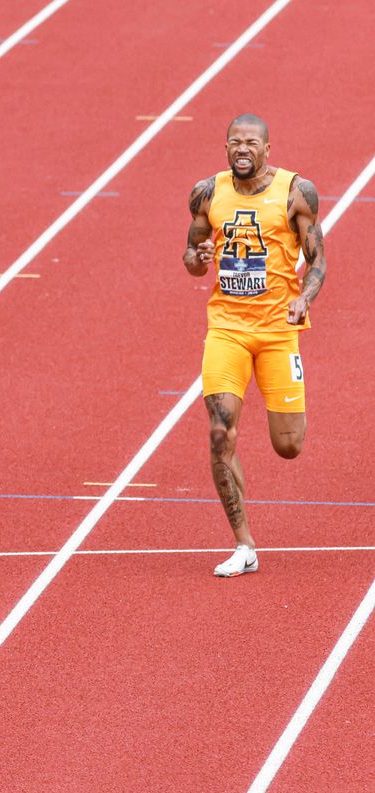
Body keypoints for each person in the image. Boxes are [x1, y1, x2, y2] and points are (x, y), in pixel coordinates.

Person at [182, 113, 326, 577]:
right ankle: (244, 545)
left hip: (278, 330)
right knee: (220, 432)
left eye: (250, 143)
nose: (242, 150)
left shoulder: (295, 192)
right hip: (226, 328)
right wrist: (198, 259)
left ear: (267, 148)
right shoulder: (207, 193)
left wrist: (304, 297)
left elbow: (318, 260)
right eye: (234, 143)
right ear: (225, 147)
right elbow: (191, 256)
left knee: (289, 446)